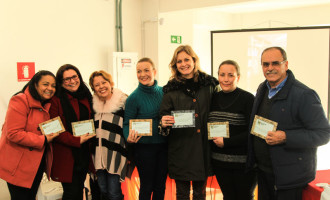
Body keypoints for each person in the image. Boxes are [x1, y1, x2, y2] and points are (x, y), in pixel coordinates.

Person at [247, 46, 330, 200]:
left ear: (286, 64)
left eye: (275, 63)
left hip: (289, 179)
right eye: (266, 64)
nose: (270, 68)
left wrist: (286, 136)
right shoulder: (262, 88)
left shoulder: (305, 95)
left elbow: (323, 134)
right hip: (264, 172)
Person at [159, 45, 218, 200]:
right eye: (179, 61)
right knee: (182, 193)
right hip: (181, 149)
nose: (183, 64)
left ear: (194, 60)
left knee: (200, 193)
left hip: (203, 148)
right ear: (175, 65)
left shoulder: (209, 85)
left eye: (187, 59)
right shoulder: (170, 90)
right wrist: (164, 122)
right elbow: (163, 118)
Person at [0, 70, 58, 200]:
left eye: (53, 85)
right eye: (45, 84)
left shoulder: (47, 103)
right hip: (18, 165)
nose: (50, 88)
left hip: (36, 164)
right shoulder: (20, 100)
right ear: (35, 84)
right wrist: (43, 140)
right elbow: (13, 133)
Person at [208, 60, 257, 200]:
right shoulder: (212, 98)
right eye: (222, 75)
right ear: (218, 77)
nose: (226, 79)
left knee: (244, 197)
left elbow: (253, 131)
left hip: (243, 163)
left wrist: (227, 142)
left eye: (230, 75)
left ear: (238, 77)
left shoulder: (248, 98)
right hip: (219, 163)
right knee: (228, 197)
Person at [123, 57, 168, 200]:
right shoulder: (133, 98)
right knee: (147, 186)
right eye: (139, 71)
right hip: (144, 149)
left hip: (164, 146)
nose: (143, 74)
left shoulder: (165, 93)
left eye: (146, 70)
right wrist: (128, 137)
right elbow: (126, 124)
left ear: (154, 71)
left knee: (161, 186)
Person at [50, 64, 95, 200]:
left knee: (79, 189)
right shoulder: (55, 100)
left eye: (74, 77)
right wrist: (76, 140)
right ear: (61, 82)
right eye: (66, 79)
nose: (72, 81)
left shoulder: (86, 95)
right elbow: (54, 130)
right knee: (71, 193)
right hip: (67, 155)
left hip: (85, 152)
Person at [89, 70, 128, 200]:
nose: (101, 86)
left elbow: (129, 127)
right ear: (93, 88)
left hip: (115, 155)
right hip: (98, 155)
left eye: (104, 82)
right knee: (103, 190)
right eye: (97, 85)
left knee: (114, 192)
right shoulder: (92, 105)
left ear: (110, 83)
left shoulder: (123, 102)